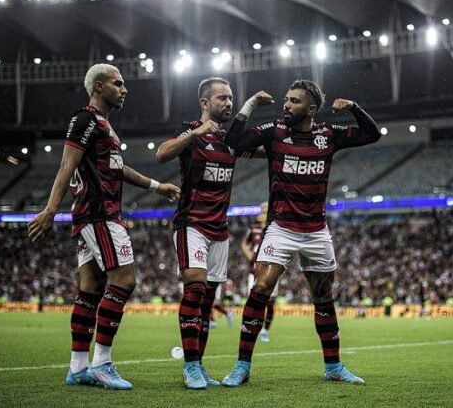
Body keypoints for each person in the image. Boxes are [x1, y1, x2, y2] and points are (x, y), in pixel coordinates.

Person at [28, 64, 180, 390]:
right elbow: (67, 164)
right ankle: (102, 363)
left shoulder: (104, 127)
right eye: (118, 84)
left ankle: (78, 367)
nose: (125, 89)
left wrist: (156, 186)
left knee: (91, 289)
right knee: (124, 280)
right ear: (99, 87)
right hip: (99, 214)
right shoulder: (85, 120)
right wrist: (51, 209)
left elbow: (117, 167)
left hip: (93, 216)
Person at [221, 79, 381, 386]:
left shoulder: (328, 136)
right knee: (261, 288)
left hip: (317, 230)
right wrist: (251, 104)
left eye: (294, 101)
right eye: (286, 100)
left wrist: (354, 108)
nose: (286, 105)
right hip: (281, 227)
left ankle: (333, 366)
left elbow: (371, 134)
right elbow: (234, 142)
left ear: (311, 108)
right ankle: (242, 366)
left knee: (323, 297)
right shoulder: (273, 131)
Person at [155, 77, 258, 390]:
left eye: (230, 98)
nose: (227, 103)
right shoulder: (191, 131)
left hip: (220, 231)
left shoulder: (231, 140)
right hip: (192, 224)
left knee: (208, 301)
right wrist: (196, 132)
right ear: (204, 103)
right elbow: (162, 154)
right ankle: (189, 367)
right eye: (222, 98)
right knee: (196, 290)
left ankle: (197, 364)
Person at [240, 203, 278, 342]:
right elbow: (244, 243)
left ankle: (265, 330)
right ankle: (250, 326)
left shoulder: (275, 228)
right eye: (262, 210)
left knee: (271, 303)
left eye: (266, 210)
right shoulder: (253, 228)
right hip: (255, 269)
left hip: (272, 268)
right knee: (254, 299)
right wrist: (249, 254)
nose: (263, 212)